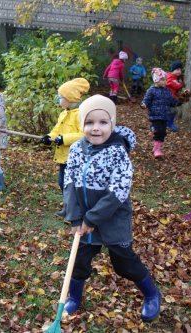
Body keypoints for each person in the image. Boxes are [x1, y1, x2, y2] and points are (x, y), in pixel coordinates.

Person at [61, 94, 161, 323]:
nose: (96, 128)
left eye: (103, 122)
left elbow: (118, 192)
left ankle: (152, 294)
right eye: (89, 122)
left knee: (124, 262)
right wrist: (76, 217)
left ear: (112, 124)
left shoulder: (118, 153)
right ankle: (74, 296)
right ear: (81, 124)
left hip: (113, 217)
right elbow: (69, 181)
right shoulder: (77, 149)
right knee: (79, 259)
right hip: (85, 217)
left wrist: (91, 219)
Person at [41, 78, 90, 217]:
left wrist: (64, 139)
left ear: (69, 98)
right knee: (63, 182)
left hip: (75, 157)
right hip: (63, 157)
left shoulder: (80, 114)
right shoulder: (64, 113)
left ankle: (76, 209)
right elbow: (57, 130)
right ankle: (68, 207)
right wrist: (49, 137)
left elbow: (83, 134)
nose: (58, 99)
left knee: (73, 185)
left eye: (60, 97)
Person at [140, 68, 179, 158]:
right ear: (156, 80)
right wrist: (144, 104)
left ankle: (157, 147)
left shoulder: (167, 91)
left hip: (165, 115)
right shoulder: (151, 90)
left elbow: (172, 102)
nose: (165, 81)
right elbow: (146, 100)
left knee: (163, 133)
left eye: (165, 79)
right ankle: (157, 150)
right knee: (159, 131)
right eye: (163, 79)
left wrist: (180, 101)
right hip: (155, 115)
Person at [165, 60, 185, 132]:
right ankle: (168, 124)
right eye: (177, 69)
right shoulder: (170, 76)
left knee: (173, 111)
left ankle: (170, 123)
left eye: (180, 69)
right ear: (173, 70)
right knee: (169, 111)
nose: (179, 71)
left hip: (171, 97)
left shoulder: (175, 77)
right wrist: (181, 84)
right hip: (167, 98)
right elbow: (174, 84)